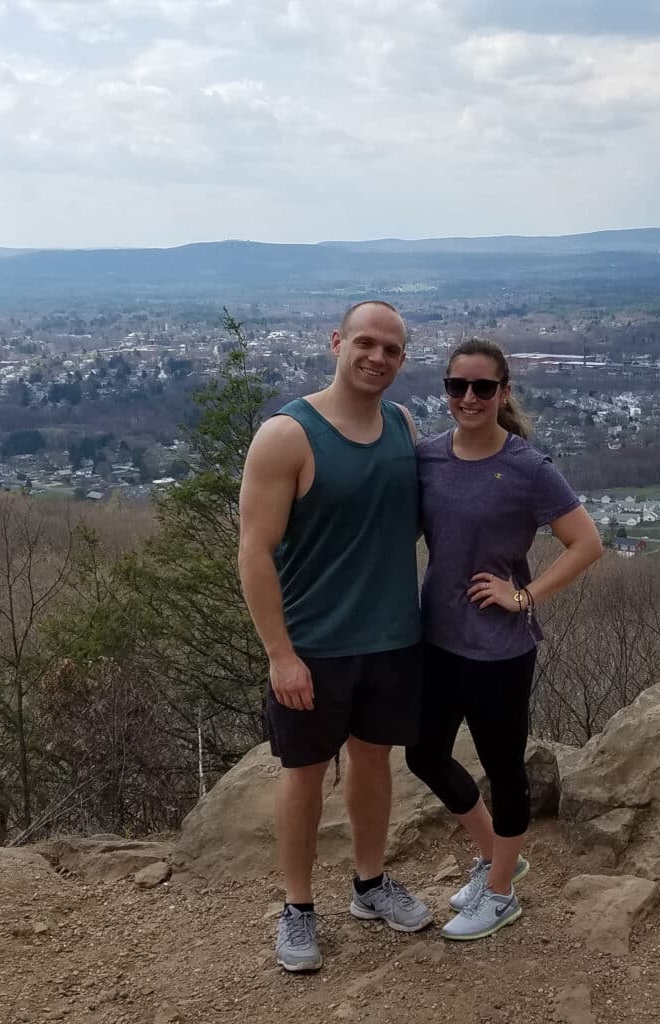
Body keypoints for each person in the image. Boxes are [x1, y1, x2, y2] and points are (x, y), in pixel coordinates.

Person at [238, 300, 432, 974]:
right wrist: (280, 654)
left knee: (375, 761)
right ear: (337, 343)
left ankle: (370, 885)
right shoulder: (288, 435)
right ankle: (297, 908)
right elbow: (254, 552)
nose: (379, 357)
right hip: (313, 645)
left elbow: (397, 524)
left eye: (393, 350)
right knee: (304, 773)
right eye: (367, 343)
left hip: (389, 637)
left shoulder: (404, 426)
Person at [406, 338, 602, 941]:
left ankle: (500, 894)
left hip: (499, 650)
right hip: (437, 638)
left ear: (503, 392)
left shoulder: (527, 467)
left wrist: (523, 595)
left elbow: (587, 543)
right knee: (424, 755)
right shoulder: (428, 458)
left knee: (504, 769)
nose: (468, 398)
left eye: (482, 388)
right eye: (457, 387)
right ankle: (499, 856)